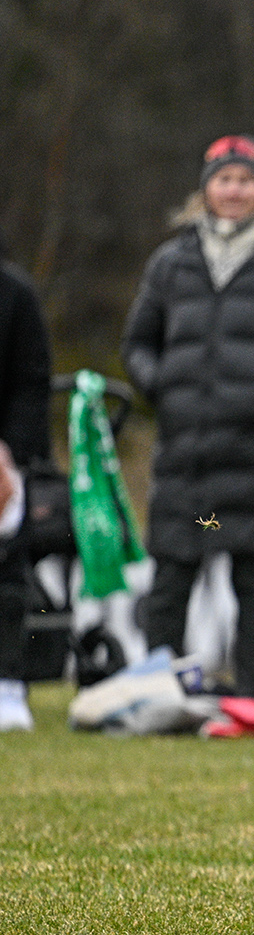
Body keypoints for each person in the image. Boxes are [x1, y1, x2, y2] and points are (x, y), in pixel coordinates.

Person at [122, 135, 254, 709]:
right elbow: (137, 344)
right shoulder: (171, 262)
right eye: (224, 179)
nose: (234, 189)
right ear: (206, 189)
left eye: (245, 179)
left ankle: (252, 698)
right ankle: (157, 694)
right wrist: (160, 383)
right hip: (185, 454)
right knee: (172, 576)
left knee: (253, 580)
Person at [0, 234, 52, 732]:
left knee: (7, 577)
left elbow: (31, 382)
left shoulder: (14, 293)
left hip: (2, 464)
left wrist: (9, 454)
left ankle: (8, 682)